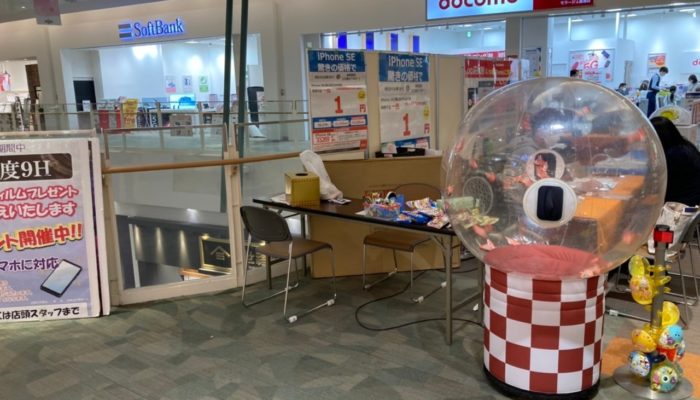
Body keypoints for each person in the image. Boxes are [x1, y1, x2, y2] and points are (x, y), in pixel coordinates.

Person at [651, 116, 700, 206]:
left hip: (685, 203)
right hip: (691, 197)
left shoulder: (674, 155)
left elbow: (662, 184)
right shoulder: (683, 146)